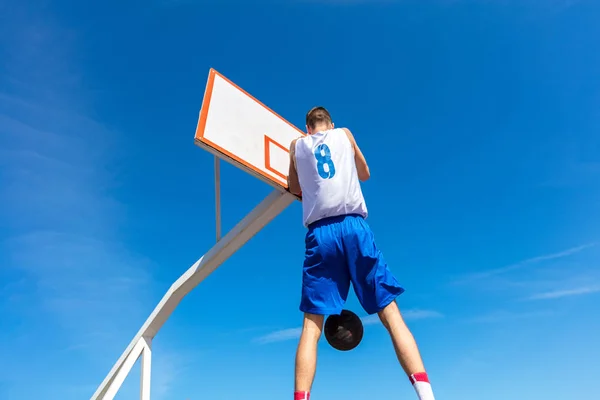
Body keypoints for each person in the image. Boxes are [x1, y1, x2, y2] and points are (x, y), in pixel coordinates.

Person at [286, 106, 436, 400]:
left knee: (311, 327)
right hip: (354, 226)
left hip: (320, 233)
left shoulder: (295, 145)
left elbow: (293, 187)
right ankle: (427, 396)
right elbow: (365, 173)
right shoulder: (344, 134)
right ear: (331, 124)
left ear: (306, 129)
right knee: (391, 315)